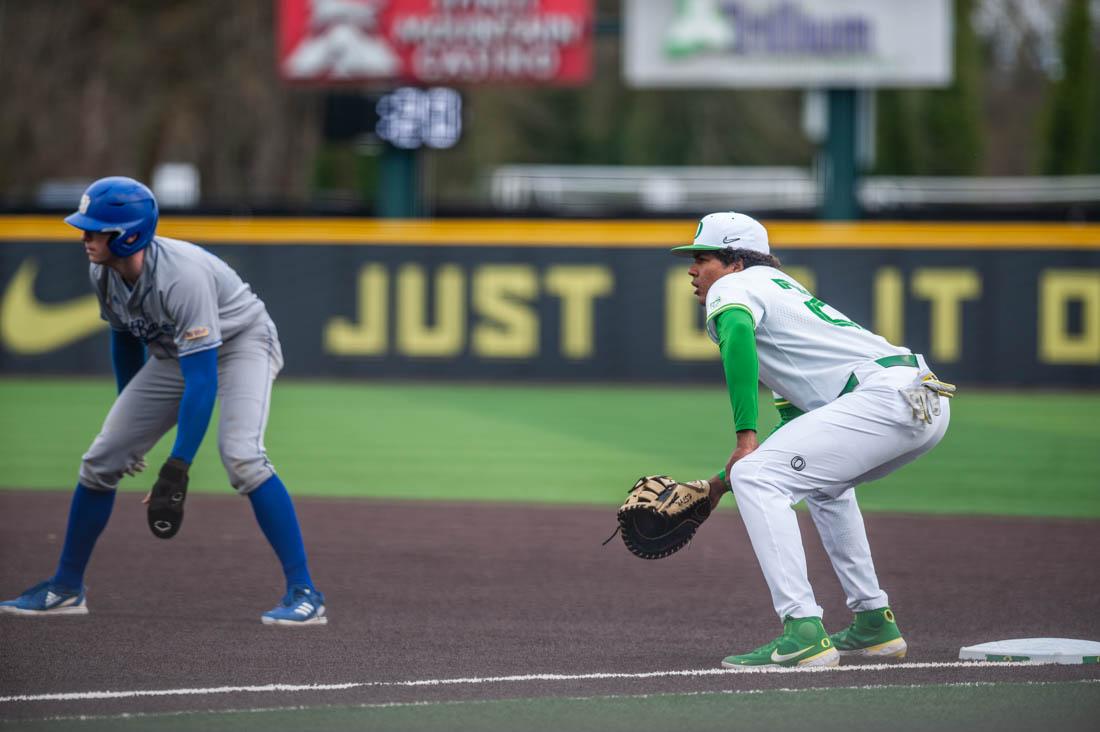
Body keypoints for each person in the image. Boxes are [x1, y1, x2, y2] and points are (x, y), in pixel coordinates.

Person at [0, 176, 326, 625]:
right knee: (103, 458)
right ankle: (65, 587)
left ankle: (305, 591)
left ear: (129, 234)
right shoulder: (103, 270)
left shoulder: (182, 277)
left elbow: (203, 381)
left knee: (242, 457)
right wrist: (131, 424)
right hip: (177, 352)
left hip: (241, 343)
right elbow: (124, 341)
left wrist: (177, 469)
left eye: (96, 230)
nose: (85, 237)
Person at [672, 212, 953, 668]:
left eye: (702, 258)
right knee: (824, 485)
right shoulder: (787, 304)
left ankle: (802, 629)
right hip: (923, 399)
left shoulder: (735, 288)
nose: (691, 270)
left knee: (757, 476)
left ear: (735, 261)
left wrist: (744, 440)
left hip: (882, 398)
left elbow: (737, 334)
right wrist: (717, 485)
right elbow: (796, 434)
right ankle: (873, 622)